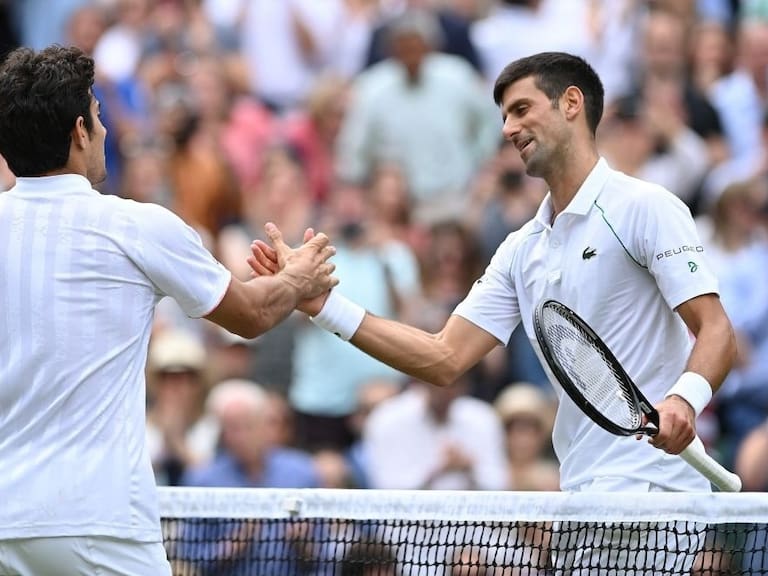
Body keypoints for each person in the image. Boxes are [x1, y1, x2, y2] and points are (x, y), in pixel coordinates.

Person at [251, 51, 736, 573]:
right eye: (504, 115)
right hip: (582, 497)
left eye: (522, 109)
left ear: (571, 103)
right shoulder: (519, 251)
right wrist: (323, 305)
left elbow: (715, 330)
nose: (508, 127)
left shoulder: (645, 207)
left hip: (653, 495)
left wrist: (684, 399)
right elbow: (442, 357)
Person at [0, 45, 337, 576]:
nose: (107, 132)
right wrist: (300, 277)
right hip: (97, 524)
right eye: (98, 116)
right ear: (80, 132)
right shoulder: (137, 225)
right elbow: (251, 315)